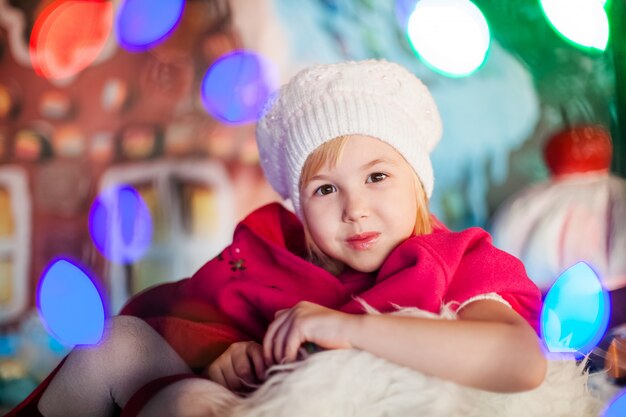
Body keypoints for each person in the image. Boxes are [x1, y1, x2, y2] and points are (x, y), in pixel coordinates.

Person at [8, 60, 546, 417]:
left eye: (378, 177)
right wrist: (222, 357)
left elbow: (521, 362)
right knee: (122, 344)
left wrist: (350, 329)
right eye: (325, 189)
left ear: (419, 184)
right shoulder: (265, 260)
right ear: (298, 205)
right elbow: (188, 323)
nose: (355, 209)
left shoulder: (456, 260)